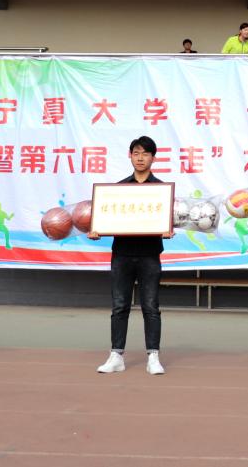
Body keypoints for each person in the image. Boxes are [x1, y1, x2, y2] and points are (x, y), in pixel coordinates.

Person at [90, 136, 172, 376]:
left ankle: (153, 357)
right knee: (119, 306)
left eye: (145, 154)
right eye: (136, 153)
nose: (140, 158)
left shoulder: (161, 190)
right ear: (130, 156)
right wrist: (96, 228)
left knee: (151, 306)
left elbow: (167, 221)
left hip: (149, 255)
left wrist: (167, 228)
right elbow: (105, 217)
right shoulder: (118, 190)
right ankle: (116, 356)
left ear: (153, 158)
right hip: (122, 254)